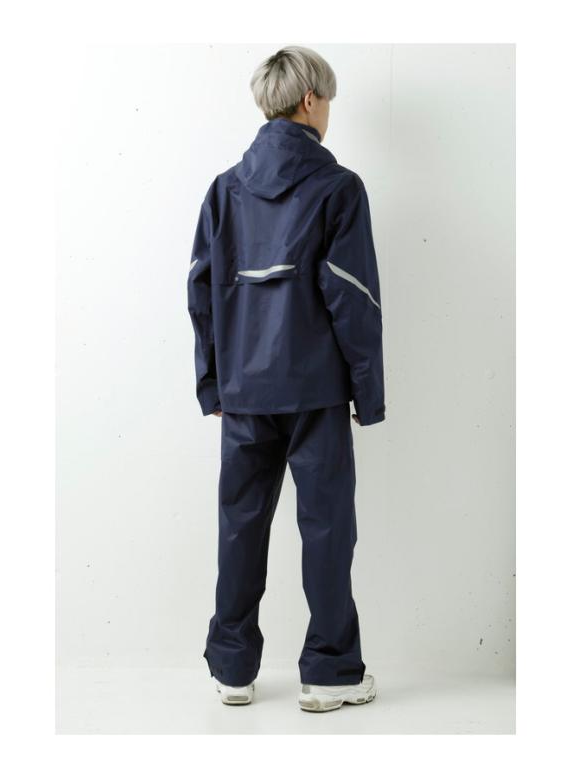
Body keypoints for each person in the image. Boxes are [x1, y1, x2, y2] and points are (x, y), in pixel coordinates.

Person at [187, 46, 385, 712]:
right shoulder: (339, 189)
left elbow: (201, 292)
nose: (329, 112)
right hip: (315, 392)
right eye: (328, 100)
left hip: (244, 393)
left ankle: (232, 669)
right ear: (309, 101)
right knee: (327, 529)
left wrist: (213, 384)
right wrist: (369, 393)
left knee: (240, 526)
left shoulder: (225, 189)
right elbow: (354, 298)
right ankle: (330, 674)